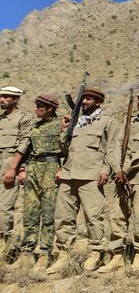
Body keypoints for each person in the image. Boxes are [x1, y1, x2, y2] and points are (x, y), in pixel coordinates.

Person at [48, 87, 116, 273]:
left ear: (98, 102)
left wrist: (106, 169)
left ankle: (96, 253)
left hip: (91, 175)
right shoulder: (77, 121)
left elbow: (112, 148)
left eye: (89, 99)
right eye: (83, 98)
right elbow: (64, 149)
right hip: (69, 174)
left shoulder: (107, 121)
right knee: (63, 217)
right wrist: (64, 130)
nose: (84, 102)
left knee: (94, 218)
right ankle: (63, 255)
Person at [101, 89, 139, 272]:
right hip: (121, 178)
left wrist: (125, 169)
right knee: (117, 217)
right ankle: (117, 255)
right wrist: (117, 169)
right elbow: (114, 147)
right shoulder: (128, 123)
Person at [6, 93, 61, 271]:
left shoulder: (60, 125)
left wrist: (63, 168)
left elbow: (69, 149)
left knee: (48, 213)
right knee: (29, 213)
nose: (35, 109)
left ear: (50, 109)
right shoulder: (35, 126)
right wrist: (22, 169)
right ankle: (27, 254)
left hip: (51, 168)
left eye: (39, 106)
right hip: (33, 169)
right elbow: (27, 149)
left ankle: (44, 254)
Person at [0, 86, 32, 256]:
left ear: (16, 99)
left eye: (6, 97)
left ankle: (5, 247)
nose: (2, 100)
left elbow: (24, 144)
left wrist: (13, 168)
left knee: (4, 208)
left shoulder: (23, 119)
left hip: (9, 162)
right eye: (1, 97)